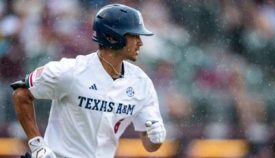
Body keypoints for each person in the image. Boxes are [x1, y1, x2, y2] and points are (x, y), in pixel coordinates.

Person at [11, 3, 166, 158]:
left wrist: (156, 138)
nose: (140, 42)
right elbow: (21, 94)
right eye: (134, 35)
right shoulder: (71, 71)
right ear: (112, 37)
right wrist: (38, 145)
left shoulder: (141, 82)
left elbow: (149, 145)